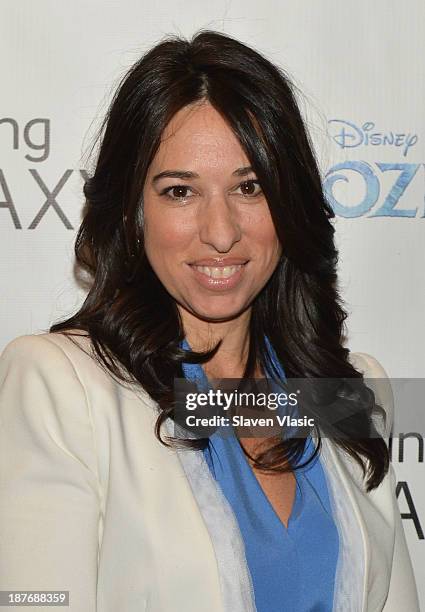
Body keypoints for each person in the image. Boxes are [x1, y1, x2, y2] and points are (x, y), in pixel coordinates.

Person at [0, 30, 419, 612]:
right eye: (179, 191)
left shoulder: (348, 391)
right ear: (133, 209)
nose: (220, 232)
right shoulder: (62, 385)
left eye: (249, 187)